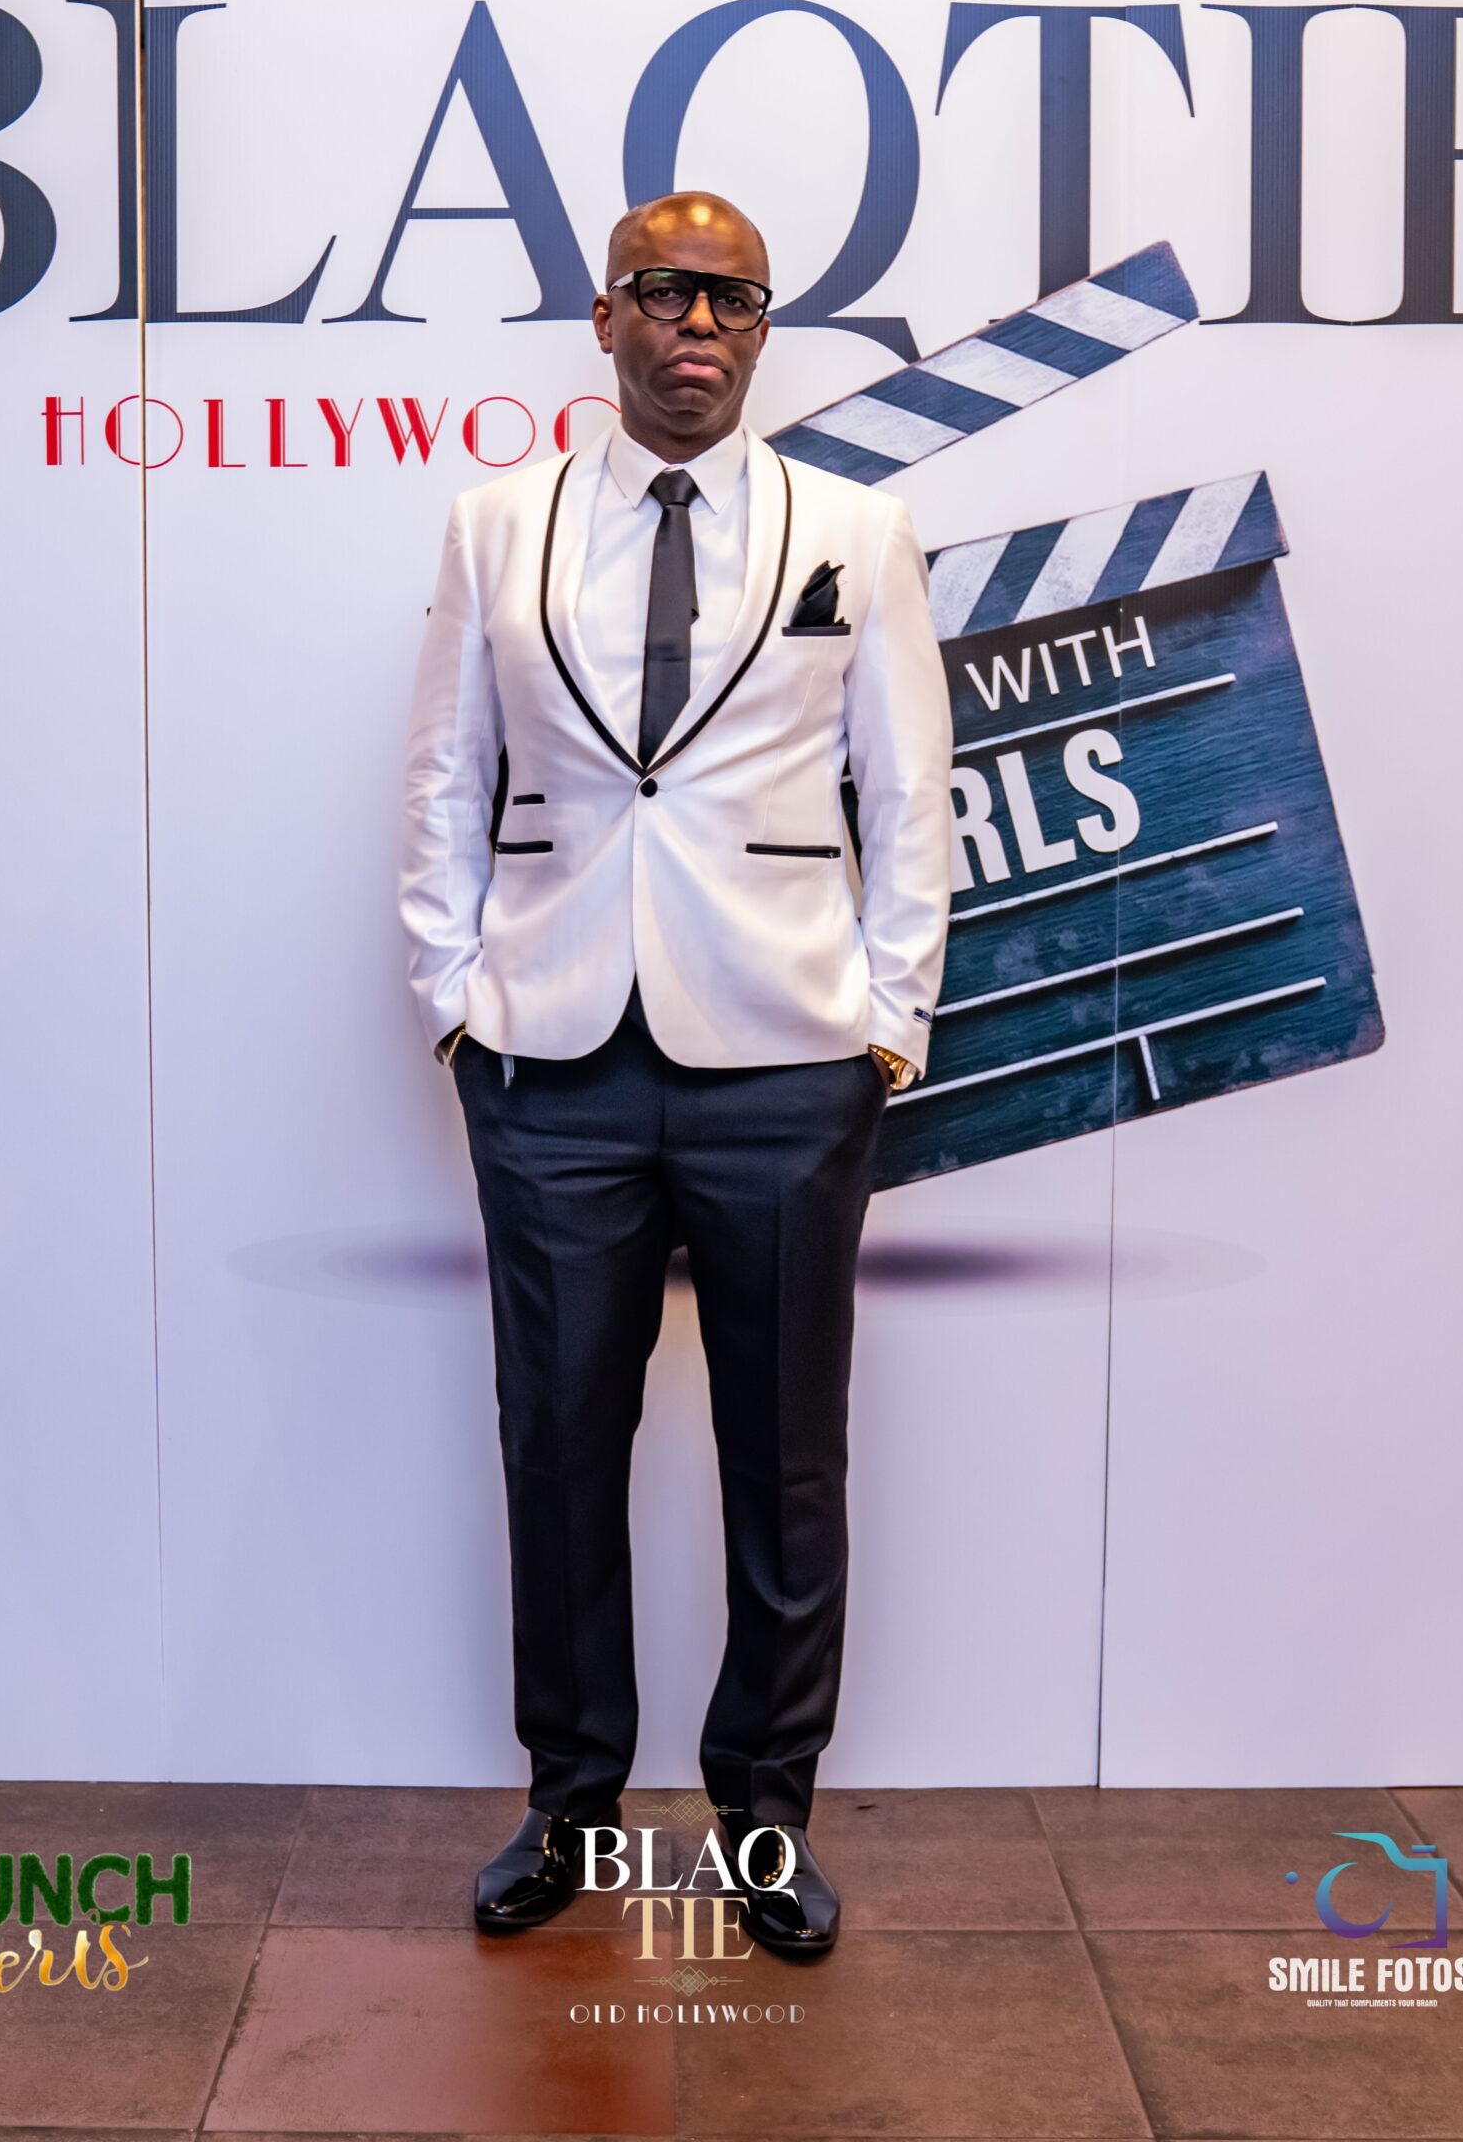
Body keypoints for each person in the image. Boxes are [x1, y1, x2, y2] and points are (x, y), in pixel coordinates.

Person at [398, 189, 953, 1957]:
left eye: (731, 299)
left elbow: (909, 793)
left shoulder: (858, 531)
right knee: (558, 1444)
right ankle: (570, 1802)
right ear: (606, 317)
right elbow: (445, 778)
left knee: (785, 1458)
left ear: (766, 327)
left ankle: (765, 1818)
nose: (697, 325)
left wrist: (888, 1023)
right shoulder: (497, 526)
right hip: (551, 1057)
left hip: (786, 1058)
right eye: (664, 292)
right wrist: (454, 1000)